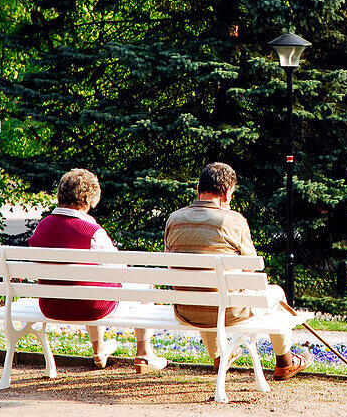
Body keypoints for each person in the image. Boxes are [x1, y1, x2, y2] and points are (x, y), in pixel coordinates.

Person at [164, 161, 313, 380]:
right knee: (277, 293)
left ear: (198, 189)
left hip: (186, 309)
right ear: (226, 193)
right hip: (229, 312)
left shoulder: (173, 219)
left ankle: (218, 356)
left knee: (205, 293)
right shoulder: (233, 221)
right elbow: (249, 268)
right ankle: (285, 362)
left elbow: (170, 264)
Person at [29, 168, 167, 373]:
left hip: (51, 305)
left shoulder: (42, 227)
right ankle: (144, 354)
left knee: (90, 285)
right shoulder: (92, 232)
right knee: (143, 286)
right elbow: (118, 270)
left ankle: (99, 349)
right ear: (89, 199)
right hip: (91, 308)